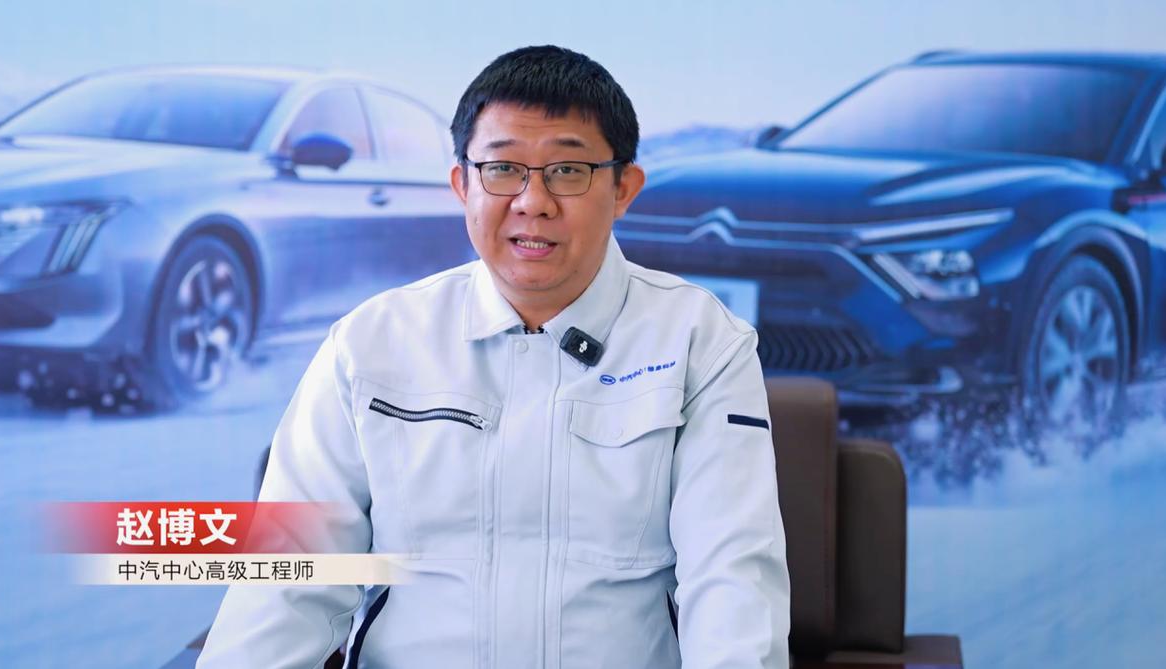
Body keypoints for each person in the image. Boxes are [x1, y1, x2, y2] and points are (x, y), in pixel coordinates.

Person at [198, 45, 789, 668]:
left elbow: (732, 583)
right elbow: (288, 583)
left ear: (623, 189)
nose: (533, 201)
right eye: (503, 168)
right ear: (462, 184)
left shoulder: (701, 343)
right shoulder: (370, 344)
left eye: (568, 170)